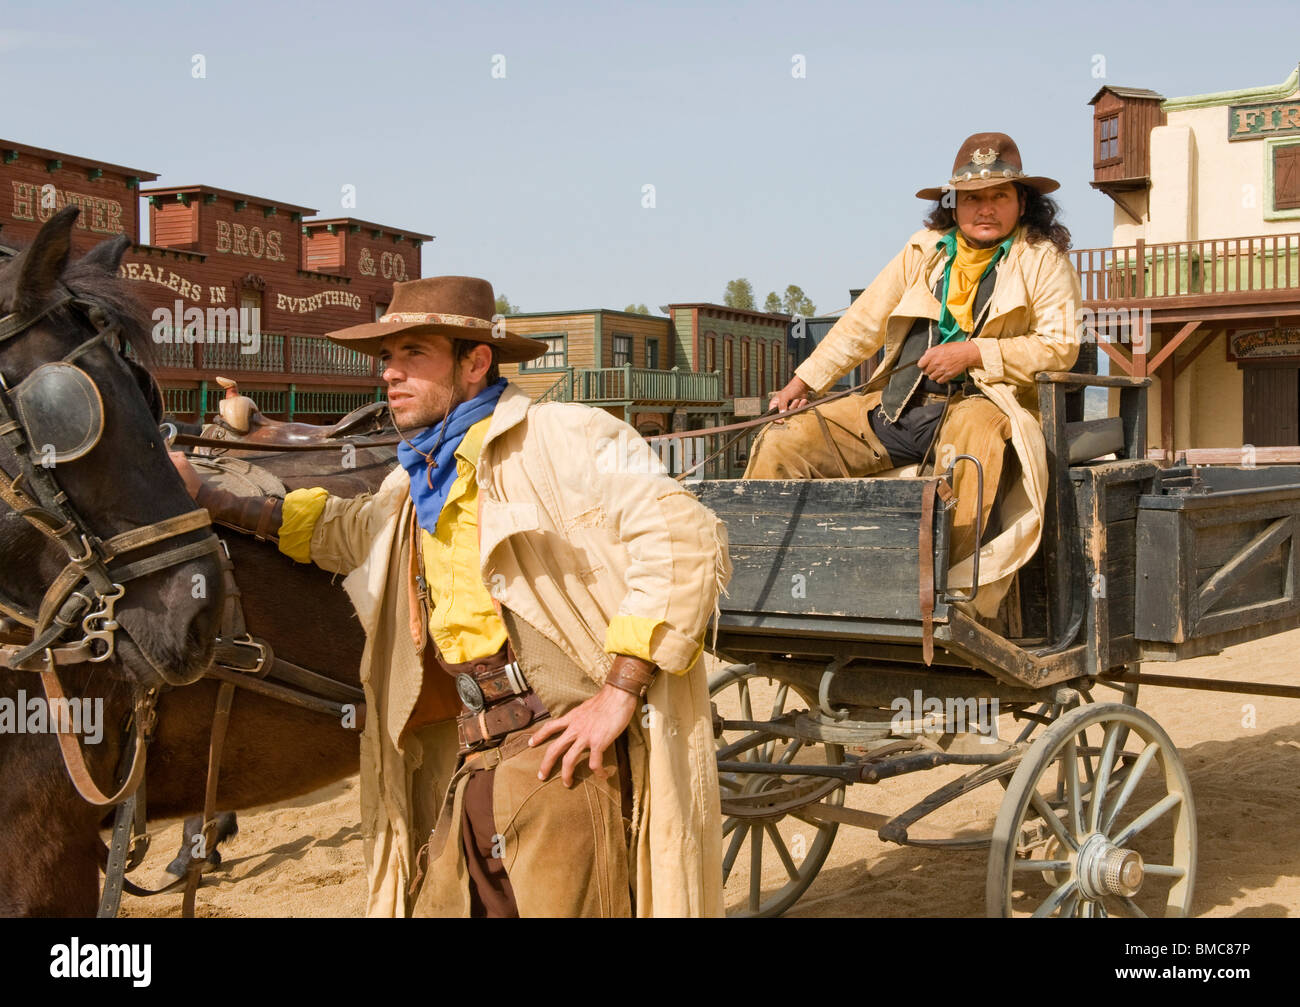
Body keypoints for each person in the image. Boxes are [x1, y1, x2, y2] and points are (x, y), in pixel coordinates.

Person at [172, 276, 729, 917]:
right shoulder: (418, 482)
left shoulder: (567, 436)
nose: (390, 375)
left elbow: (684, 535)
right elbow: (342, 529)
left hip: (563, 758)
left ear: (476, 362)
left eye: (413, 355)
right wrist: (215, 498)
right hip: (472, 754)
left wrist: (619, 689)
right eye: (386, 358)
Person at [745, 132, 1081, 615]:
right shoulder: (925, 251)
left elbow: (1059, 347)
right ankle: (766, 580)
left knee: (973, 447)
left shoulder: (1042, 259)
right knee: (785, 440)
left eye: (998, 196)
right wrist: (804, 382)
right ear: (954, 204)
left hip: (984, 407)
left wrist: (974, 353)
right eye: (972, 198)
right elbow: (863, 321)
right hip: (898, 407)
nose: (985, 209)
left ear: (1022, 201)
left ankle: (948, 593)